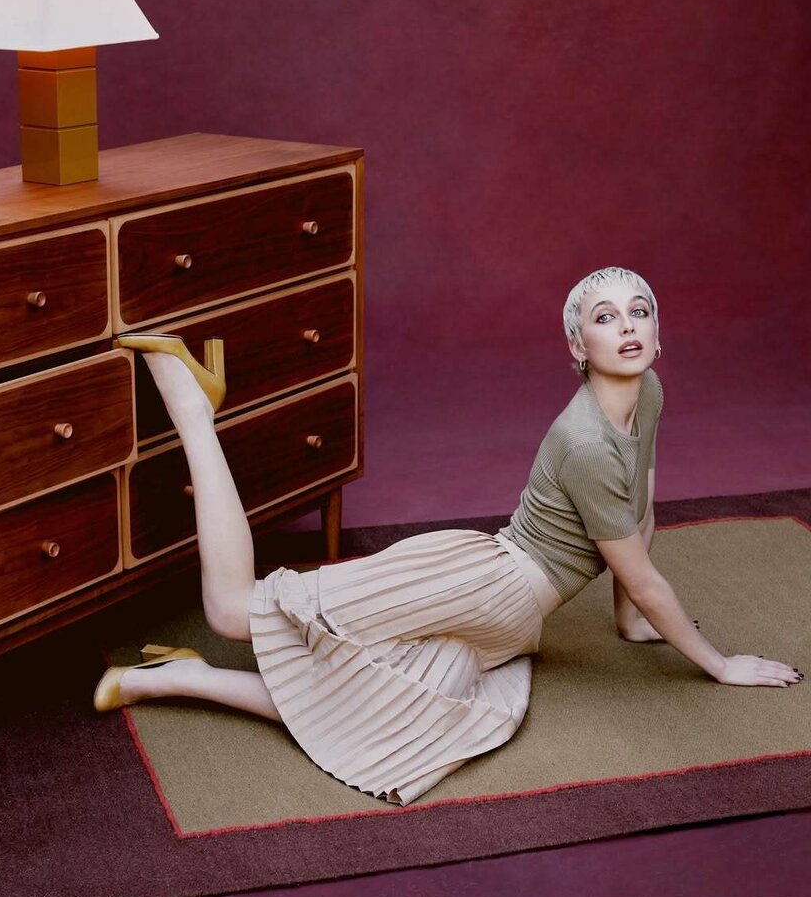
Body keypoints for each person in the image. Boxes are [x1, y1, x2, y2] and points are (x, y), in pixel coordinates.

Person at [94, 267, 803, 805]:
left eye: (638, 311)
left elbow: (641, 503)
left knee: (379, 713)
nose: (627, 327)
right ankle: (195, 409)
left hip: (508, 619)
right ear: (577, 345)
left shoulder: (648, 392)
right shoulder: (584, 440)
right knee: (232, 610)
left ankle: (185, 677)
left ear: (657, 329)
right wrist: (718, 664)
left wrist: (627, 623)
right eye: (604, 316)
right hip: (481, 584)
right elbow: (641, 573)